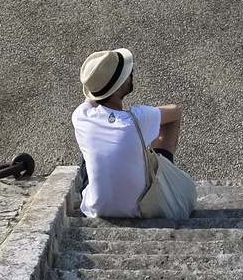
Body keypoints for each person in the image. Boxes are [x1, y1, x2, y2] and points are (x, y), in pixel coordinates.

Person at [72, 48, 186, 219]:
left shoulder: (81, 117)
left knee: (90, 149)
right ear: (118, 90)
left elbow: (92, 98)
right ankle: (162, 174)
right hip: (140, 211)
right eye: (128, 73)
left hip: (95, 211)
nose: (131, 74)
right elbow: (175, 112)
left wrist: (99, 81)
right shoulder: (138, 119)